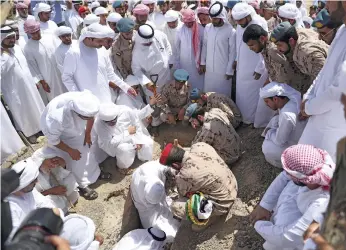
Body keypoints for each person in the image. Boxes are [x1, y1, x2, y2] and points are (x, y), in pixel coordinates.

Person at [250, 144, 335, 250]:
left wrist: (259, 225)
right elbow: (285, 175)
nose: (287, 174)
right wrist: (265, 205)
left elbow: (288, 236)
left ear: (300, 179)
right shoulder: (321, 166)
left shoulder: (320, 205)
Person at [299, 0, 346, 162]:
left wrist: (310, 107)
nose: (325, 6)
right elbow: (324, 71)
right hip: (317, 111)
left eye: (329, 1)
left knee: (322, 172)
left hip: (333, 123)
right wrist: (308, 96)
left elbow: (339, 91)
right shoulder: (342, 31)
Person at [40, 90, 105, 200]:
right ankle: (82, 184)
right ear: (78, 113)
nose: (90, 119)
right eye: (86, 117)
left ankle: (95, 174)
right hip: (62, 136)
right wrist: (70, 150)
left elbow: (91, 117)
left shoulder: (85, 101)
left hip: (75, 129)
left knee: (87, 149)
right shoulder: (56, 119)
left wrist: (88, 133)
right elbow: (54, 140)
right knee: (73, 159)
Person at [159, 142, 238, 230]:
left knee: (176, 206)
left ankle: (211, 217)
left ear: (175, 165)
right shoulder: (200, 145)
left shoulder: (183, 176)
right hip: (233, 184)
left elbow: (183, 195)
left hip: (224, 203)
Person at [62, 23, 135, 104]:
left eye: (103, 40)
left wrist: (126, 87)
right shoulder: (74, 52)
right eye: (99, 41)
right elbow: (67, 78)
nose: (103, 43)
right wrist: (79, 97)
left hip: (105, 97)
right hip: (87, 101)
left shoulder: (102, 50)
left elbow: (110, 73)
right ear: (89, 38)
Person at [1, 25, 45, 144]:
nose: (12, 40)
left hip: (29, 85)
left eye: (13, 37)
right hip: (14, 89)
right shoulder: (1, 55)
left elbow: (26, 66)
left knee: (35, 106)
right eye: (8, 38)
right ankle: (30, 134)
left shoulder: (18, 48)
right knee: (22, 111)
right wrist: (5, 55)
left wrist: (34, 80)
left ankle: (41, 128)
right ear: (1, 39)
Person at [242, 24, 312, 96]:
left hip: (296, 90)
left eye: (252, 45)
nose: (250, 48)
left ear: (262, 39)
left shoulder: (273, 50)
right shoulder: (265, 47)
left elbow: (285, 74)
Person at [232, 2, 269, 126]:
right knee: (242, 95)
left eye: (241, 20)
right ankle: (242, 118)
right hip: (242, 67)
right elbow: (238, 44)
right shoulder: (239, 26)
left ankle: (252, 120)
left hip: (255, 68)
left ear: (248, 16)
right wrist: (236, 59)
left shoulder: (260, 23)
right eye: (236, 21)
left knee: (253, 96)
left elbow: (265, 48)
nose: (238, 23)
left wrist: (260, 68)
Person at [270, 21, 328, 94]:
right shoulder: (296, 34)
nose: (278, 49)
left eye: (280, 45)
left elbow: (323, 80)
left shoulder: (307, 53)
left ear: (291, 41)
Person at [94, 103, 153, 174]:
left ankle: (142, 157)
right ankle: (123, 167)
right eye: (108, 122)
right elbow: (110, 143)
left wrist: (139, 140)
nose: (111, 123)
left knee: (148, 143)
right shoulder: (99, 124)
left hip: (133, 136)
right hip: (118, 144)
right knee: (124, 150)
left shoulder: (126, 110)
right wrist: (126, 133)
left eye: (113, 120)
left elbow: (136, 124)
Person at [5, 158, 57, 237]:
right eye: (34, 180)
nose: (37, 182)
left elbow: (46, 204)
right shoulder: (9, 209)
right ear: (25, 183)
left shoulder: (28, 191)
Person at [260, 82, 307, 168]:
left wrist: (269, 133)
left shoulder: (286, 115)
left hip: (298, 145)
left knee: (266, 147)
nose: (266, 105)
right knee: (275, 119)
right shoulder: (291, 101)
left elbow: (280, 141)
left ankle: (289, 165)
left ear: (275, 99)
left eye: (267, 101)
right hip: (298, 134)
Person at [131, 161, 180, 241]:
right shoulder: (148, 191)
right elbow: (155, 205)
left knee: (175, 221)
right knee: (165, 235)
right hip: (148, 209)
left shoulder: (161, 170)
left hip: (153, 197)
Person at [24, 19, 66, 106]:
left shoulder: (50, 37)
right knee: (55, 100)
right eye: (33, 33)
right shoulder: (28, 48)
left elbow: (61, 51)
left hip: (61, 72)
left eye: (37, 31)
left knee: (67, 94)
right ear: (28, 33)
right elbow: (33, 67)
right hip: (47, 77)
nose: (36, 34)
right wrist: (43, 82)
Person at [200, 2, 236, 96]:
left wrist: (229, 71)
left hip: (223, 71)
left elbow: (233, 52)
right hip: (209, 69)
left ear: (222, 17)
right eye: (212, 18)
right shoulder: (208, 28)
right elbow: (204, 45)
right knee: (208, 94)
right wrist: (203, 63)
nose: (213, 21)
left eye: (215, 19)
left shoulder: (230, 31)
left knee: (222, 96)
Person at [31, 147, 79, 214]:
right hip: (47, 197)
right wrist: (51, 191)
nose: (54, 162)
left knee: (70, 178)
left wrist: (63, 165)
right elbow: (33, 200)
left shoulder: (50, 166)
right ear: (41, 161)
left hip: (58, 193)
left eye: (55, 159)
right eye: (51, 160)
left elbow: (61, 176)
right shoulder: (32, 177)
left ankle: (65, 204)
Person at [132, 24, 172, 92]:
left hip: (166, 75)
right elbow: (136, 70)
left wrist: (168, 60)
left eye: (150, 43)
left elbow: (167, 46)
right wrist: (147, 83)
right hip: (151, 80)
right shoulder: (136, 51)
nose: (149, 44)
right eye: (146, 44)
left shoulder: (160, 35)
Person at [174, 8, 204, 90]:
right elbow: (176, 48)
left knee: (199, 85)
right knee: (187, 85)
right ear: (183, 21)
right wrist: (177, 64)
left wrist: (202, 63)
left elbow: (204, 47)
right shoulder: (179, 30)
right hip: (184, 64)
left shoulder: (201, 29)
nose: (189, 24)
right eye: (187, 22)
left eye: (191, 22)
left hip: (197, 64)